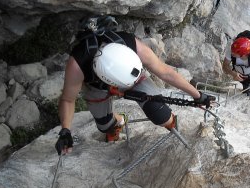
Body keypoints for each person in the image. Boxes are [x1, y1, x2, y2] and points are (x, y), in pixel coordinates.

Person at [55, 15, 214, 155]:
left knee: (159, 113)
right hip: (96, 86)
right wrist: (65, 131)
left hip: (134, 78)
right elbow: (68, 100)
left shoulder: (130, 44)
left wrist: (198, 96)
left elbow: (165, 72)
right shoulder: (78, 63)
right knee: (105, 127)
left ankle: (173, 126)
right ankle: (118, 121)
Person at [222, 30, 250, 95]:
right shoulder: (232, 51)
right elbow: (225, 66)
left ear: (243, 54)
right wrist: (233, 73)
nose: (232, 53)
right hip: (239, 76)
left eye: (234, 53)